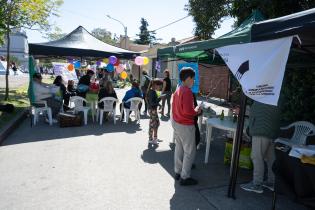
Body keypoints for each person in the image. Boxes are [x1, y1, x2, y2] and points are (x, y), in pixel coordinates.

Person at [240, 101, 280, 193]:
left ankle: (257, 184)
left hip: (261, 130)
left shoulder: (263, 94)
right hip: (272, 130)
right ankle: (272, 182)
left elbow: (257, 111)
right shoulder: (275, 92)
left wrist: (243, 110)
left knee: (257, 157)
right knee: (271, 159)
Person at [172, 67, 201, 186]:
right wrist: (197, 110)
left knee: (179, 149)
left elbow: (176, 108)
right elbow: (189, 111)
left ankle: (178, 172)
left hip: (177, 123)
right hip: (185, 124)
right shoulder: (187, 91)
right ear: (188, 78)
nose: (194, 81)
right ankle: (185, 176)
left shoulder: (178, 89)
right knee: (189, 151)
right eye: (193, 79)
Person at [147, 79, 163, 145]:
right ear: (155, 85)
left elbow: (154, 101)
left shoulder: (152, 91)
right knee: (154, 124)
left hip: (152, 109)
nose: (160, 87)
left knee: (155, 124)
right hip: (152, 109)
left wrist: (159, 104)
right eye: (159, 86)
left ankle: (153, 138)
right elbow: (152, 103)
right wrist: (160, 98)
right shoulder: (152, 92)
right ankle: (153, 139)